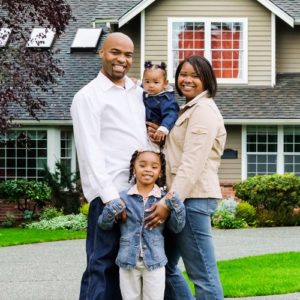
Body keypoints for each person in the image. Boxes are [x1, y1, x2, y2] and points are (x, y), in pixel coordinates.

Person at [71, 32, 150, 300]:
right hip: (109, 198)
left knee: (129, 270)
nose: (122, 60)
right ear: (101, 53)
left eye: (128, 55)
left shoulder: (138, 93)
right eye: (115, 52)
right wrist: (111, 200)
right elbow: (90, 152)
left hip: (139, 196)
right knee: (101, 266)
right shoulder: (88, 97)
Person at [146, 55, 226, 300]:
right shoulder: (187, 110)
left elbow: (191, 163)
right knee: (163, 267)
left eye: (195, 75)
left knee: (203, 274)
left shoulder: (203, 111)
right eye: (183, 74)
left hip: (192, 201)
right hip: (179, 199)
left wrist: (168, 202)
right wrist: (160, 136)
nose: (187, 80)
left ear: (207, 79)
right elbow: (177, 153)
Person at [98, 150, 186, 300]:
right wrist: (113, 207)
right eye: (142, 165)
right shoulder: (122, 197)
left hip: (155, 262)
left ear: (160, 173)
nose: (148, 170)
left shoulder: (164, 200)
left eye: (154, 167)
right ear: (134, 169)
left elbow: (177, 227)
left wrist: (176, 203)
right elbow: (103, 224)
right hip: (127, 262)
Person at [142, 61, 179, 143]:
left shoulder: (166, 99)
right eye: (147, 81)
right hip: (143, 130)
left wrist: (163, 128)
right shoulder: (145, 92)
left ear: (165, 84)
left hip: (158, 132)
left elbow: (171, 114)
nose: (151, 85)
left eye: (156, 82)